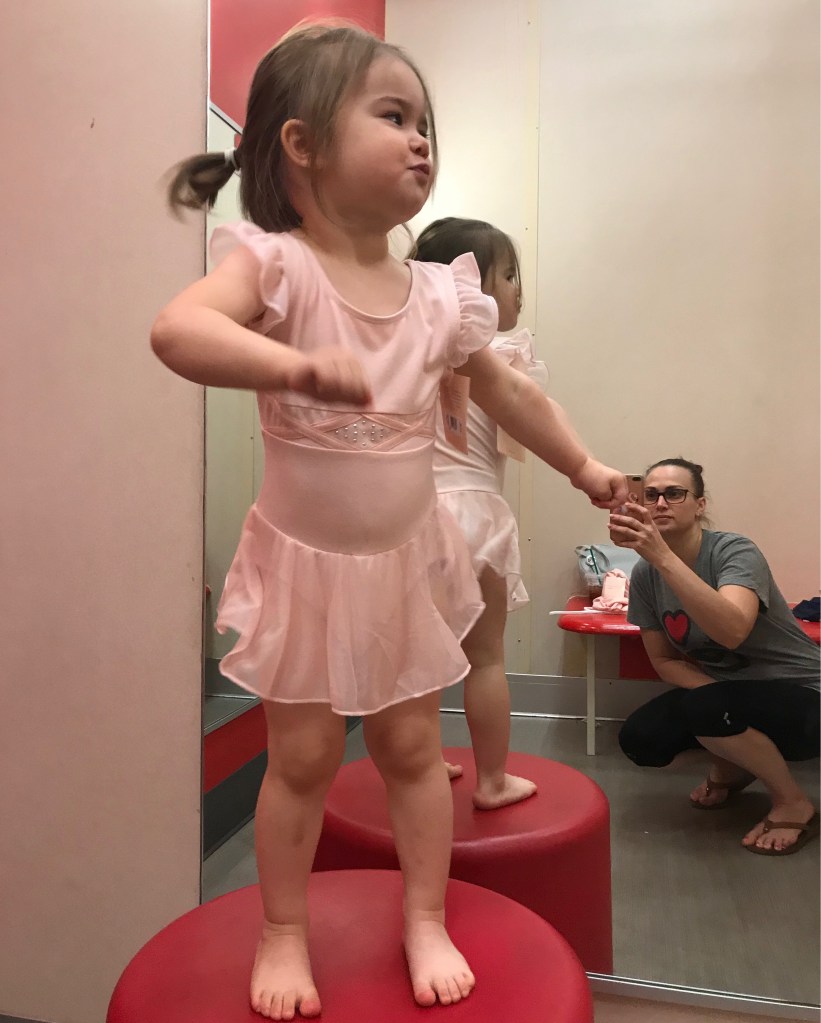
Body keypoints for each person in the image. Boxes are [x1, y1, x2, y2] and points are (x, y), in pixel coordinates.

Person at [151, 22, 627, 1020]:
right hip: (305, 565)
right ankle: (283, 929)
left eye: (425, 125)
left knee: (412, 752)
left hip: (407, 561)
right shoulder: (276, 268)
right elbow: (178, 330)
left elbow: (507, 393)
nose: (420, 141)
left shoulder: (439, 297)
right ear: (302, 144)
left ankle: (424, 915)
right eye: (393, 116)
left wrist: (584, 467)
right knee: (303, 759)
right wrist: (291, 364)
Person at [608, 457, 819, 856]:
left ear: (700, 505)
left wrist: (663, 557)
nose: (660, 503)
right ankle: (736, 762)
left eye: (674, 493)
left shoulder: (733, 551)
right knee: (641, 739)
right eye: (651, 494)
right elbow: (665, 662)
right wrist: (719, 700)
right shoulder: (645, 575)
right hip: (732, 692)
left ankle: (793, 801)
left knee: (707, 707)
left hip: (805, 693)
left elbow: (732, 630)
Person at [413, 217, 544, 809]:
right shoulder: (503, 359)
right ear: (469, 287)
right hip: (475, 513)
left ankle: (421, 764)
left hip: (412, 513)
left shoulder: (412, 348)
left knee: (418, 653)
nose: (519, 290)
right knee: (485, 657)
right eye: (509, 276)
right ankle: (492, 780)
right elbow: (526, 430)